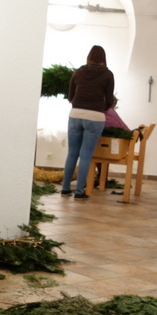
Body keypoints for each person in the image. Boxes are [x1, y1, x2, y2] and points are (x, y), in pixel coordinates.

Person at [61, 45, 115, 199]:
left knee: (72, 153)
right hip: (95, 116)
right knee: (85, 156)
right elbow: (109, 100)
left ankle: (65, 189)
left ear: (89, 56)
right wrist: (102, 107)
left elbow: (70, 96)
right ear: (103, 58)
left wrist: (79, 105)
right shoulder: (108, 74)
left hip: (75, 114)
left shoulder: (78, 72)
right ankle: (79, 192)